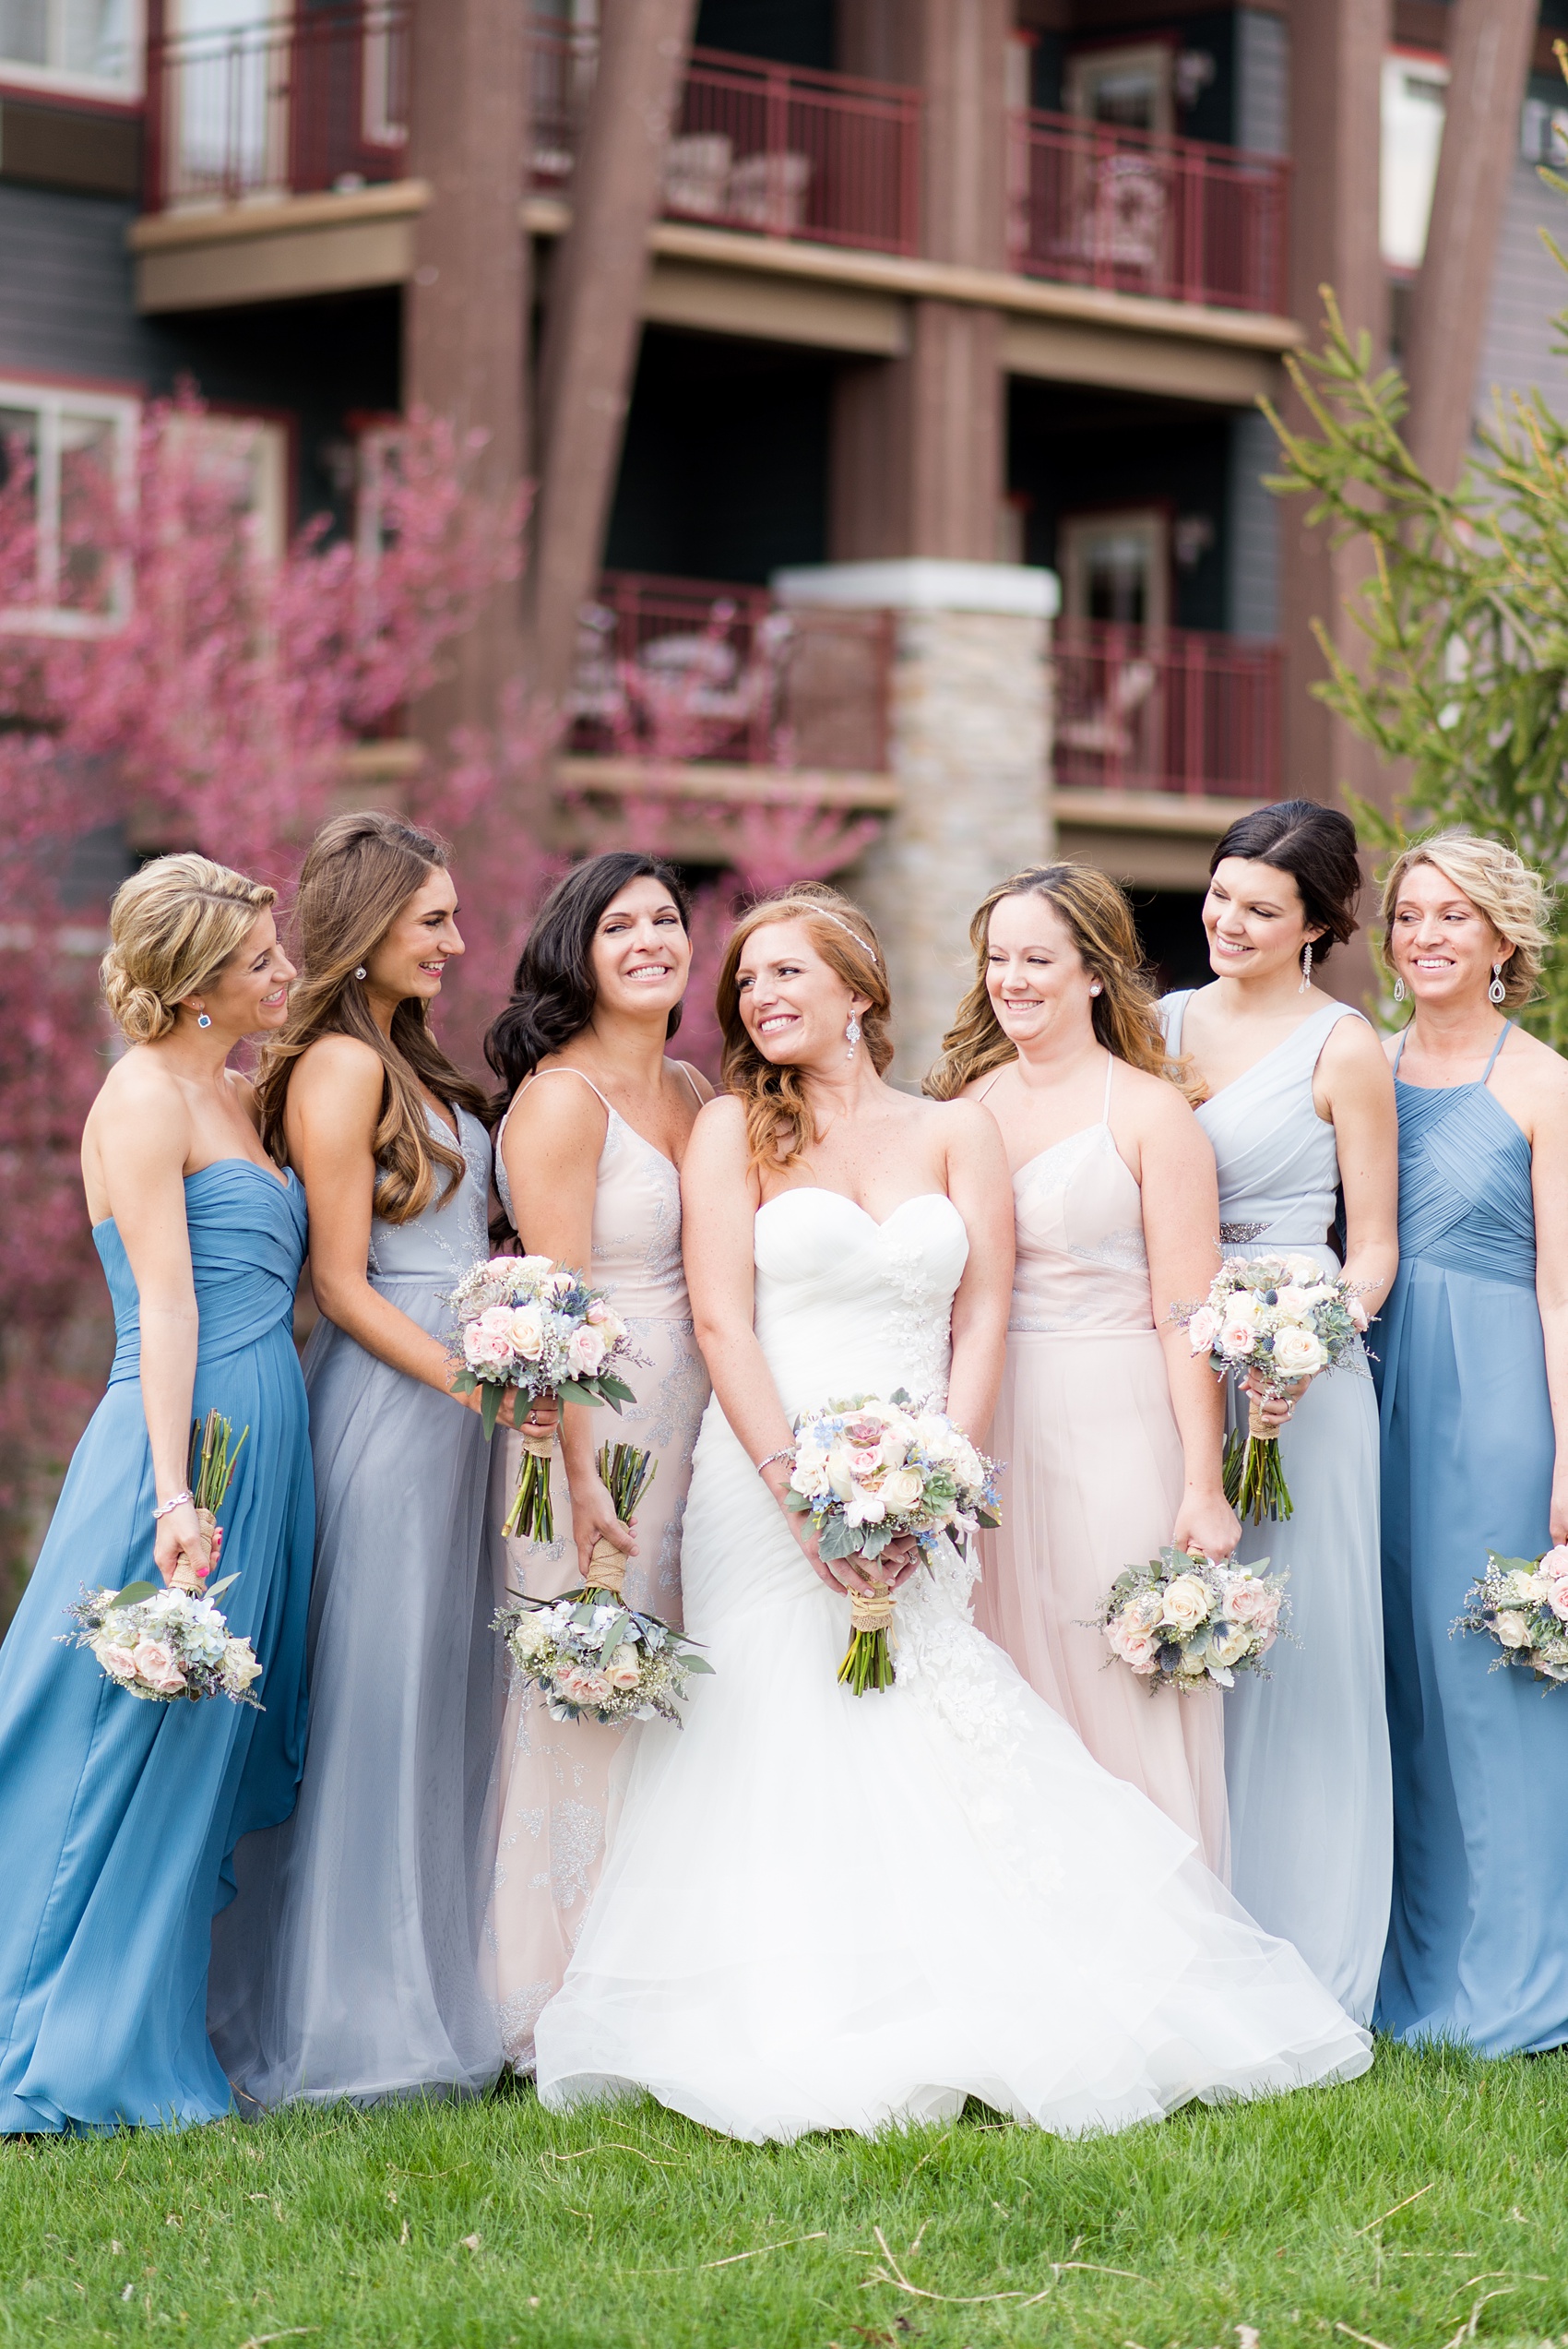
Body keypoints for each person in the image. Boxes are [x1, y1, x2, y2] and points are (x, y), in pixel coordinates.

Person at [532, 881, 1371, 2142]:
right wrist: (798, 1490)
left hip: (925, 1472)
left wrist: (944, 1474)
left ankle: (964, 1978)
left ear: (861, 991)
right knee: (779, 1713)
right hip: (766, 1472)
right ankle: (796, 1987)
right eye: (749, 981)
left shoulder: (951, 1130)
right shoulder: (731, 1134)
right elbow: (720, 1319)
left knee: (924, 1709)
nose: (761, 998)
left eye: (789, 975)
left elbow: (981, 1311)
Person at [208, 811, 551, 2108]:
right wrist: (477, 1377)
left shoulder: (407, 1063)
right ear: (368, 928)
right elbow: (342, 1285)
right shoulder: (342, 1072)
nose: (460, 942)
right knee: (374, 1705)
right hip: (394, 1416)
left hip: (458, 1412)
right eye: (434, 922)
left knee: (438, 1700)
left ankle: (430, 1977)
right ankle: (346, 2014)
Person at [0, 855, 313, 2131]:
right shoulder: (143, 1100)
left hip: (268, 1431)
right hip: (182, 1443)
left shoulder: (239, 1093)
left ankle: (153, 2012)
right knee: (114, 1729)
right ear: (192, 984)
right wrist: (176, 1493)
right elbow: (167, 1302)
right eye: (259, 959)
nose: (286, 970)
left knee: (200, 1739)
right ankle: (59, 2025)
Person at [927, 864, 1237, 1873]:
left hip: (1112, 1416)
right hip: (985, 1417)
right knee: (1002, 1669)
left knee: (1111, 1671)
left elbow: (1183, 1313)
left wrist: (1202, 1484)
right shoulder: (960, 1107)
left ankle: (1162, 1931)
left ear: (1095, 973)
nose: (1011, 978)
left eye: (1036, 959)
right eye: (996, 958)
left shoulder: (1150, 1113)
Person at [1158, 801, 1397, 2026]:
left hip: (1306, 1367)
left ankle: (1310, 1938)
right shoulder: (1153, 1029)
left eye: (1261, 907)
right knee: (1187, 1631)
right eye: (1219, 894)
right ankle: (1193, 1916)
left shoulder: (1343, 1044)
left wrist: (1310, 1342)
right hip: (1179, 1355)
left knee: (1303, 1649)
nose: (1228, 921)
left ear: (1316, 924)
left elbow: (1375, 1246)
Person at [479, 853, 712, 2072]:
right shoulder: (563, 1101)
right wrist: (575, 1480)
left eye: (667, 919)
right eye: (620, 923)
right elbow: (552, 1312)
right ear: (578, 947)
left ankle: (662, 1964)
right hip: (598, 1429)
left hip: (698, 1418)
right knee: (587, 1677)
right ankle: (559, 1992)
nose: (650, 939)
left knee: (668, 1675)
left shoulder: (687, 1082)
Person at [1374, 831, 1568, 2055]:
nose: (1427, 936)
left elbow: (1566, 1289)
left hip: (1500, 1391)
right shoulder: (1362, 1061)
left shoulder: (1546, 1080)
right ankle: (1409, 1959)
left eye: (1454, 917)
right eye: (1407, 915)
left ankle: (1517, 1979)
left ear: (1502, 940)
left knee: (1493, 1674)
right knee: (1392, 1675)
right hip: (1374, 1385)